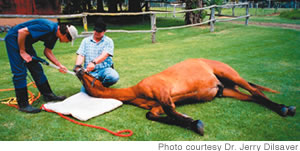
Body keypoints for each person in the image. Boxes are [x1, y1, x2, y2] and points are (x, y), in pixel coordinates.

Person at [4, 19, 78, 113]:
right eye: (68, 40)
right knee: (20, 72)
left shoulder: (55, 34)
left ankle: (48, 95)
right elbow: (21, 31)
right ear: (65, 34)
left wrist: (59, 65)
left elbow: (47, 51)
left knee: (37, 69)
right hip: (14, 39)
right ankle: (23, 104)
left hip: (25, 42)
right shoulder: (48, 27)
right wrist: (22, 51)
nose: (67, 42)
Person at [74, 19, 119, 92]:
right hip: (90, 73)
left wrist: (94, 62)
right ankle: (95, 86)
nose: (97, 33)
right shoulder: (85, 41)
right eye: (95, 30)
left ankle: (101, 87)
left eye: (99, 31)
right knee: (84, 93)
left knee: (113, 77)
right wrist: (78, 66)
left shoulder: (108, 41)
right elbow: (81, 55)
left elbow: (105, 55)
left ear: (104, 31)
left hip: (104, 69)